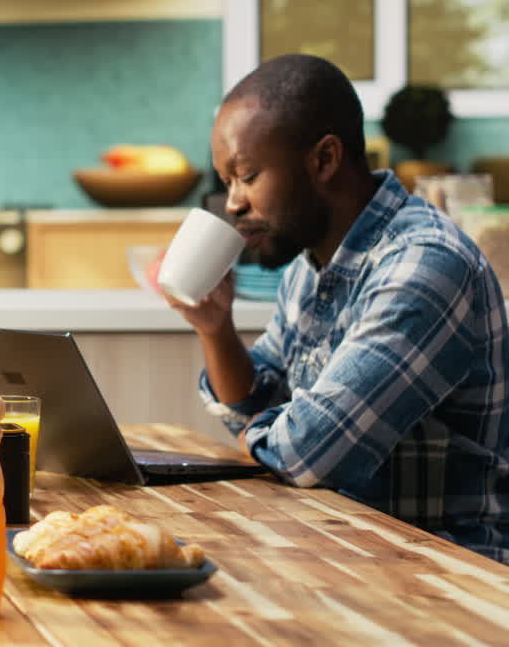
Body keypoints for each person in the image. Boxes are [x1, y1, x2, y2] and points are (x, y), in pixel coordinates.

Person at [170, 53, 509, 564]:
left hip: (447, 577)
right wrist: (214, 329)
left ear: (324, 160)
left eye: (247, 175)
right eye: (227, 182)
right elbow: (256, 406)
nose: (233, 203)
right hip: (346, 555)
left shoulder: (425, 265)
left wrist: (267, 433)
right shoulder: (309, 267)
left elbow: (308, 454)